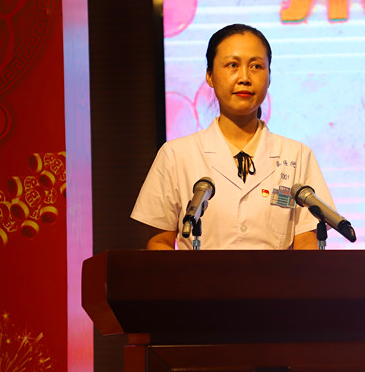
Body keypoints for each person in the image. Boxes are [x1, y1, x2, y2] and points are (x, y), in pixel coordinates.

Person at [131, 23, 336, 250]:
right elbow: (160, 241)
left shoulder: (297, 156)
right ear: (210, 75)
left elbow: (307, 241)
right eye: (232, 65)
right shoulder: (175, 155)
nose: (244, 77)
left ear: (269, 77)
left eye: (256, 66)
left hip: (277, 276)